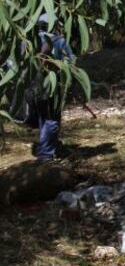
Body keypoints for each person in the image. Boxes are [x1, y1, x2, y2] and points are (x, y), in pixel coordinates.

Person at [33, 14, 76, 161]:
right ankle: (45, 154)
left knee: (43, 117)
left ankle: (53, 146)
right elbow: (71, 63)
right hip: (53, 86)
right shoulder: (59, 41)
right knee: (52, 119)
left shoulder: (29, 40)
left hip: (34, 86)